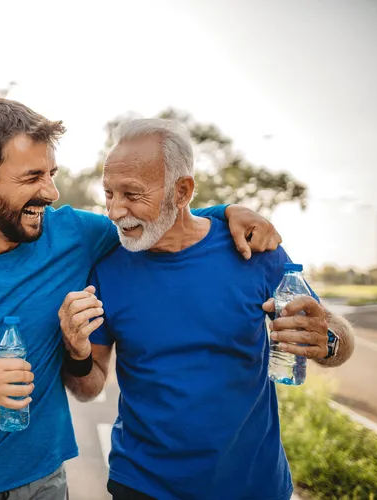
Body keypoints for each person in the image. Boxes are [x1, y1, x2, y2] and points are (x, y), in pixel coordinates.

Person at [0, 98, 282, 500]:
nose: (51, 192)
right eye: (31, 177)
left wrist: (228, 212)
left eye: (51, 173)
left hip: (42, 481)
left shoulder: (75, 236)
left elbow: (158, 218)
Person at [59, 118, 355, 500]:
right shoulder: (107, 268)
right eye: (109, 193)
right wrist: (77, 353)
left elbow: (337, 340)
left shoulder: (253, 250)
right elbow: (89, 386)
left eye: (131, 194)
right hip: (143, 486)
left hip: (255, 486)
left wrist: (327, 341)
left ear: (181, 192)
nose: (115, 210)